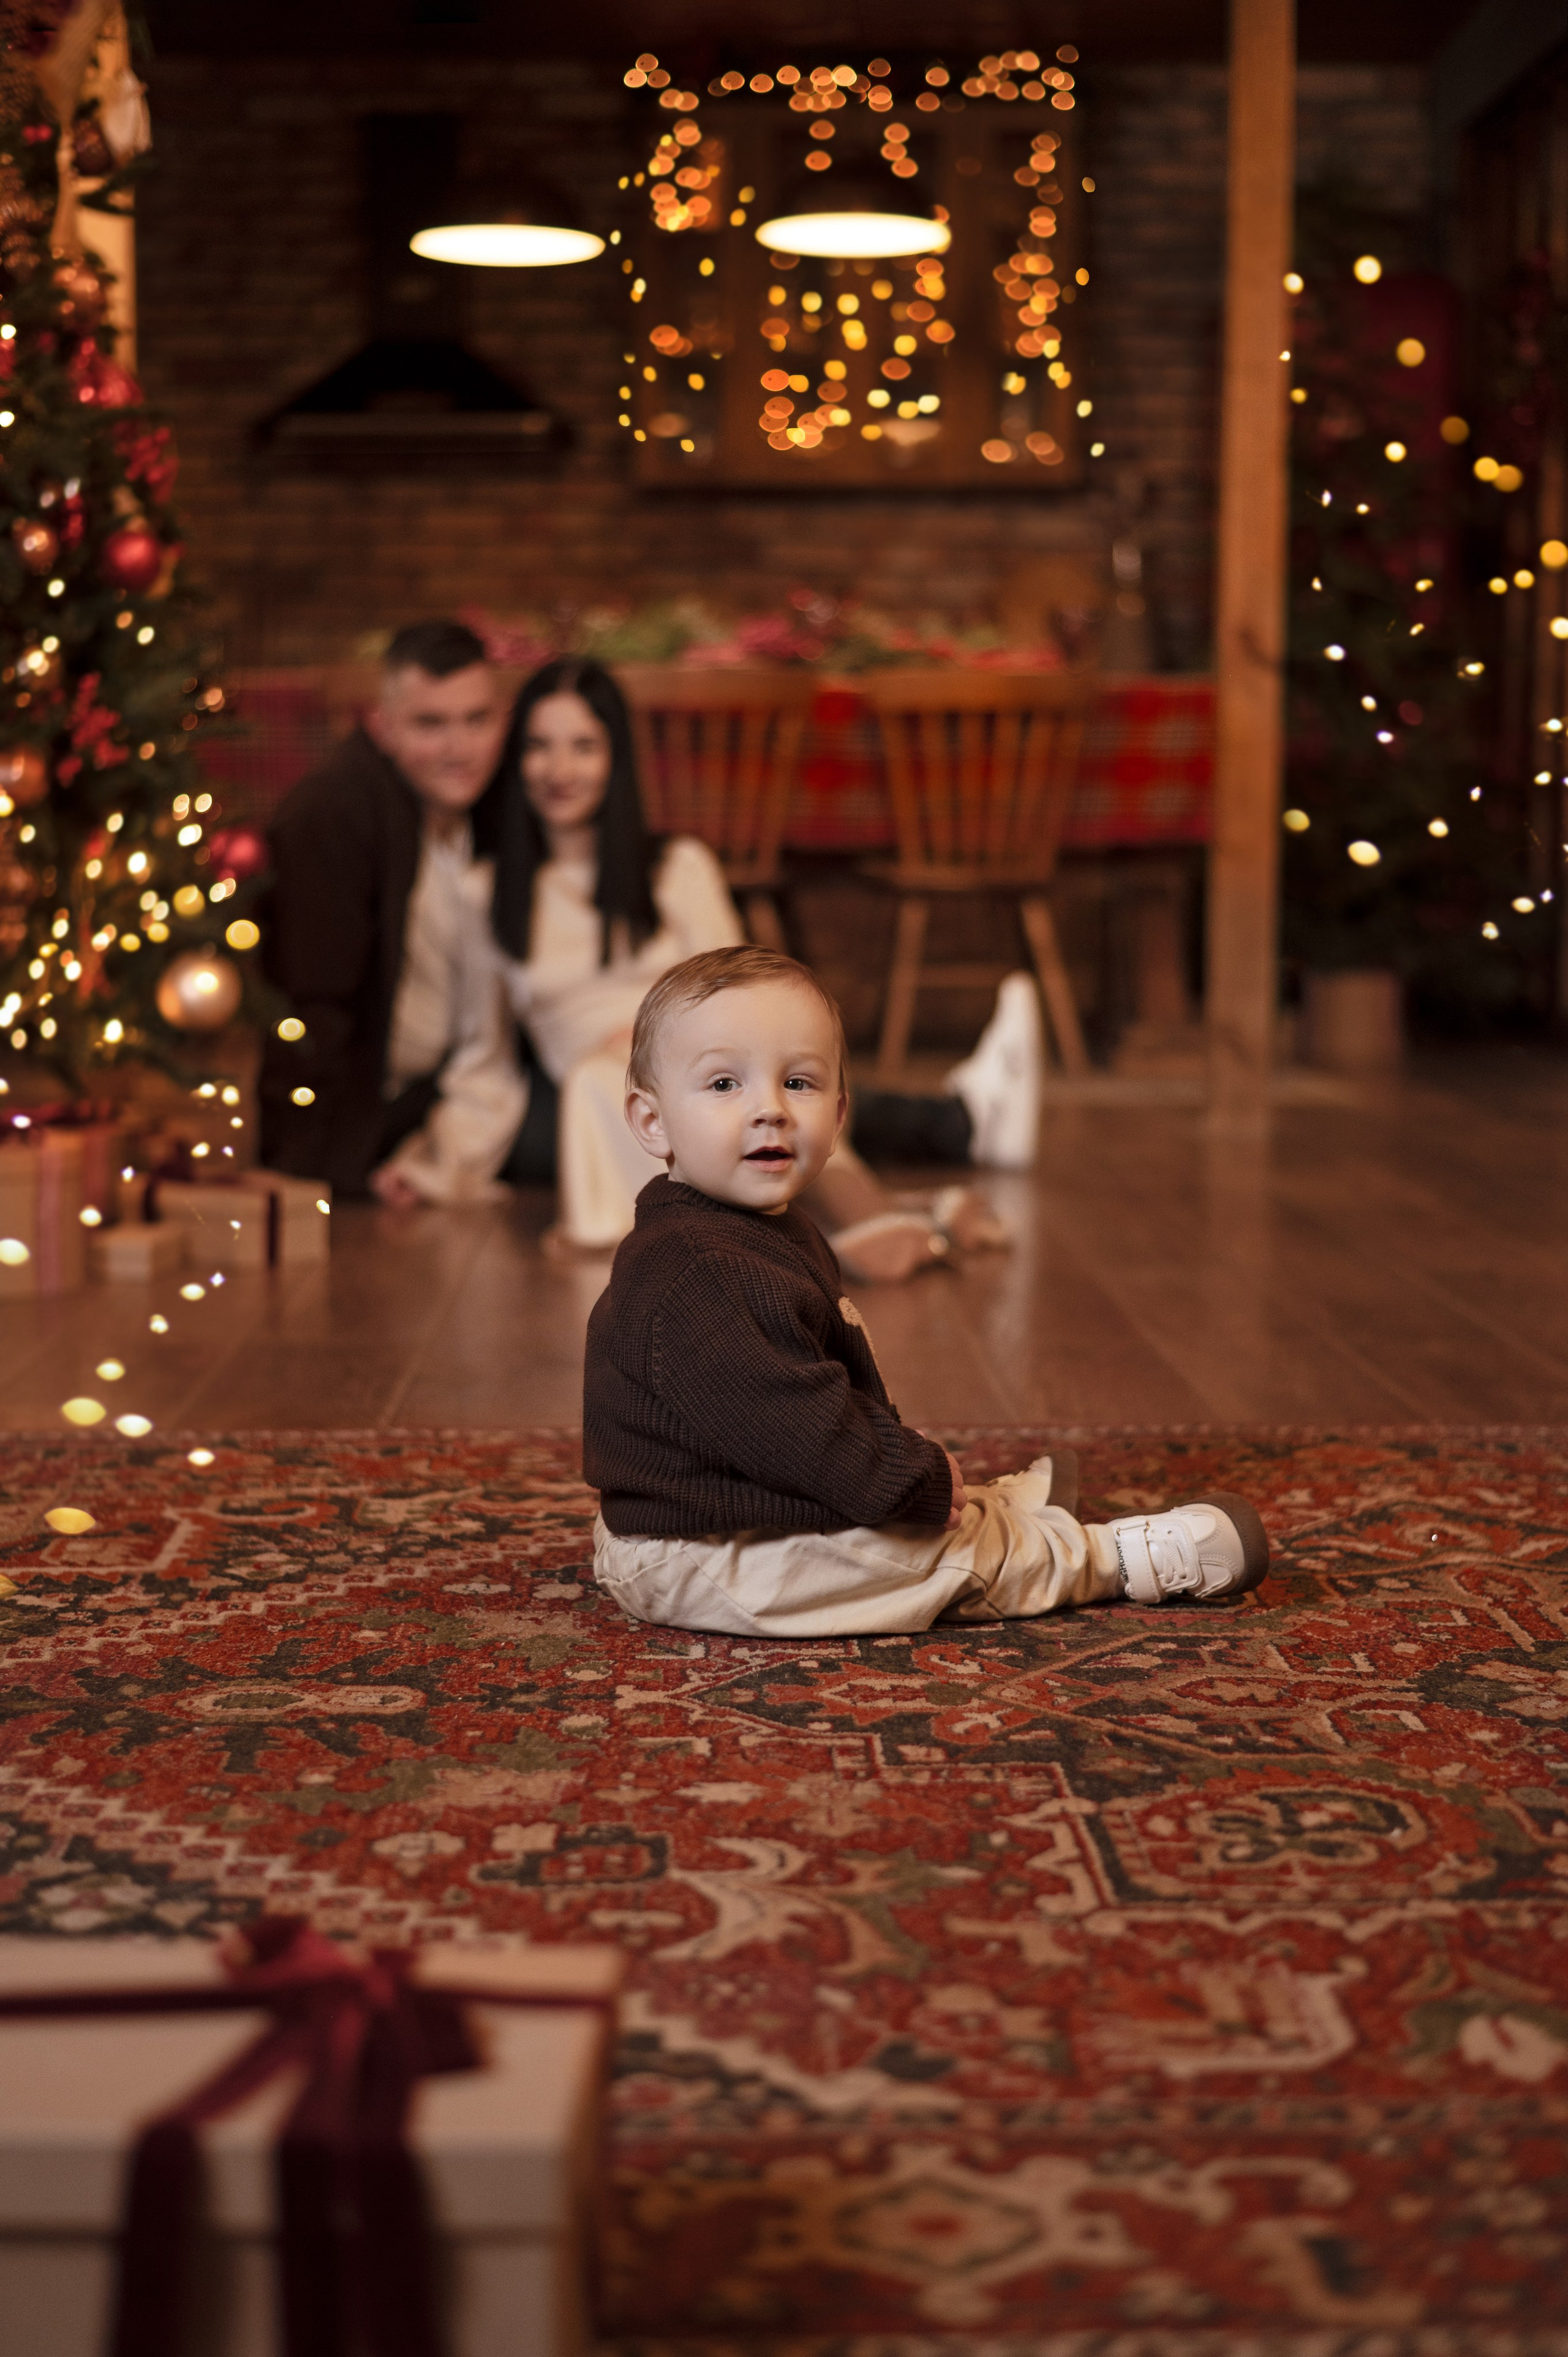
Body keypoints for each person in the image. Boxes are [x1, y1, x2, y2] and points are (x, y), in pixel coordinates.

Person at [584, 945, 1269, 1638]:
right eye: (725, 1084)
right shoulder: (697, 1270)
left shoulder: (756, 1232)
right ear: (651, 1121)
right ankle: (1098, 1558)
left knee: (895, 1513)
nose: (770, 1110)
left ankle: (985, 1514)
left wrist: (899, 1472)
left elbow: (821, 1400)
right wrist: (914, 1486)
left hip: (735, 1508)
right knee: (923, 1556)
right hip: (690, 1555)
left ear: (840, 1113)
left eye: (799, 1082)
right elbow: (802, 1433)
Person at [486, 657, 1033, 1281]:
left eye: (583, 746)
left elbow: (739, 992)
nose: (559, 769)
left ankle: (863, 1210)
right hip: (601, 1090)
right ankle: (902, 1211)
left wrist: (654, 1036)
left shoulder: (676, 865)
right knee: (596, 1083)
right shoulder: (489, 890)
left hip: (696, 1051)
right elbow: (483, 1051)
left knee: (771, 1086)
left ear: (617, 758)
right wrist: (438, 1163)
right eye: (538, 746)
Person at [258, 619, 524, 1204]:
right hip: (364, 1109)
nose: (459, 750)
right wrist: (322, 1166)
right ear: (381, 726)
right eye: (431, 724)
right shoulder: (333, 816)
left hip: (455, 1085)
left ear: (502, 719)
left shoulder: (494, 799)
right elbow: (314, 1005)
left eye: (476, 721)